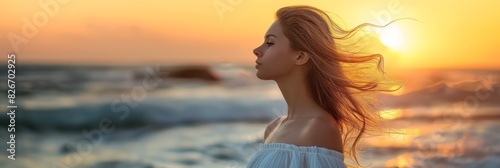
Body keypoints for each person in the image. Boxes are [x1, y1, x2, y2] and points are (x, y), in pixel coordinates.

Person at [247, 5, 402, 168]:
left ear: (300, 56)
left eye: (269, 43)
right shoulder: (273, 129)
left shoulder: (319, 129)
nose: (257, 50)